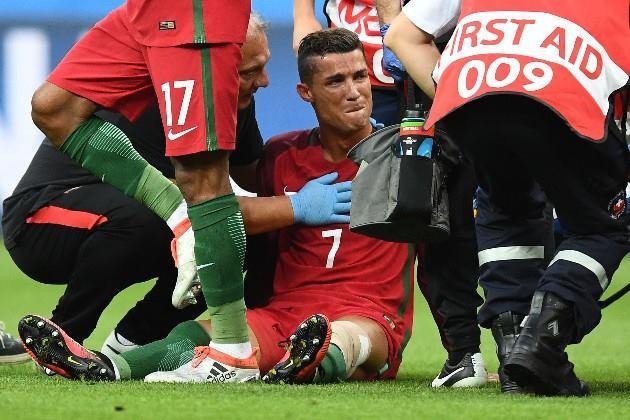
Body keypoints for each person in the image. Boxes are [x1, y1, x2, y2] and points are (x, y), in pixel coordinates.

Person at [18, 29, 423, 385]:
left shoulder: (407, 154)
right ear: (306, 93)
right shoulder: (280, 154)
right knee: (197, 326)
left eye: (360, 77)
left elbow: (445, 249)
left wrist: (457, 345)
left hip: (368, 314)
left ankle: (312, 361)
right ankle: (107, 366)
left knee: (348, 337)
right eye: (336, 81)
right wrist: (295, 206)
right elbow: (220, 211)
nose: (353, 91)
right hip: (284, 311)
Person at [385, 0, 629, 396]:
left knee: (506, 209)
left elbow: (401, 36)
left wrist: (458, 98)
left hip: (471, 94)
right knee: (605, 225)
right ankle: (542, 343)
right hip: (563, 95)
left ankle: (515, 356)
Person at [26, 0, 259, 381]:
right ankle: (179, 215)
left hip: (196, 12)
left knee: (200, 174)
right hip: (147, 9)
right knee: (54, 107)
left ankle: (233, 352)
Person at [296, 0, 487, 387]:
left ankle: (468, 352)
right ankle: (331, 327)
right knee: (373, 224)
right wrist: (305, 23)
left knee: (444, 221)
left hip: (427, 75)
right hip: (365, 76)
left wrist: (392, 25)